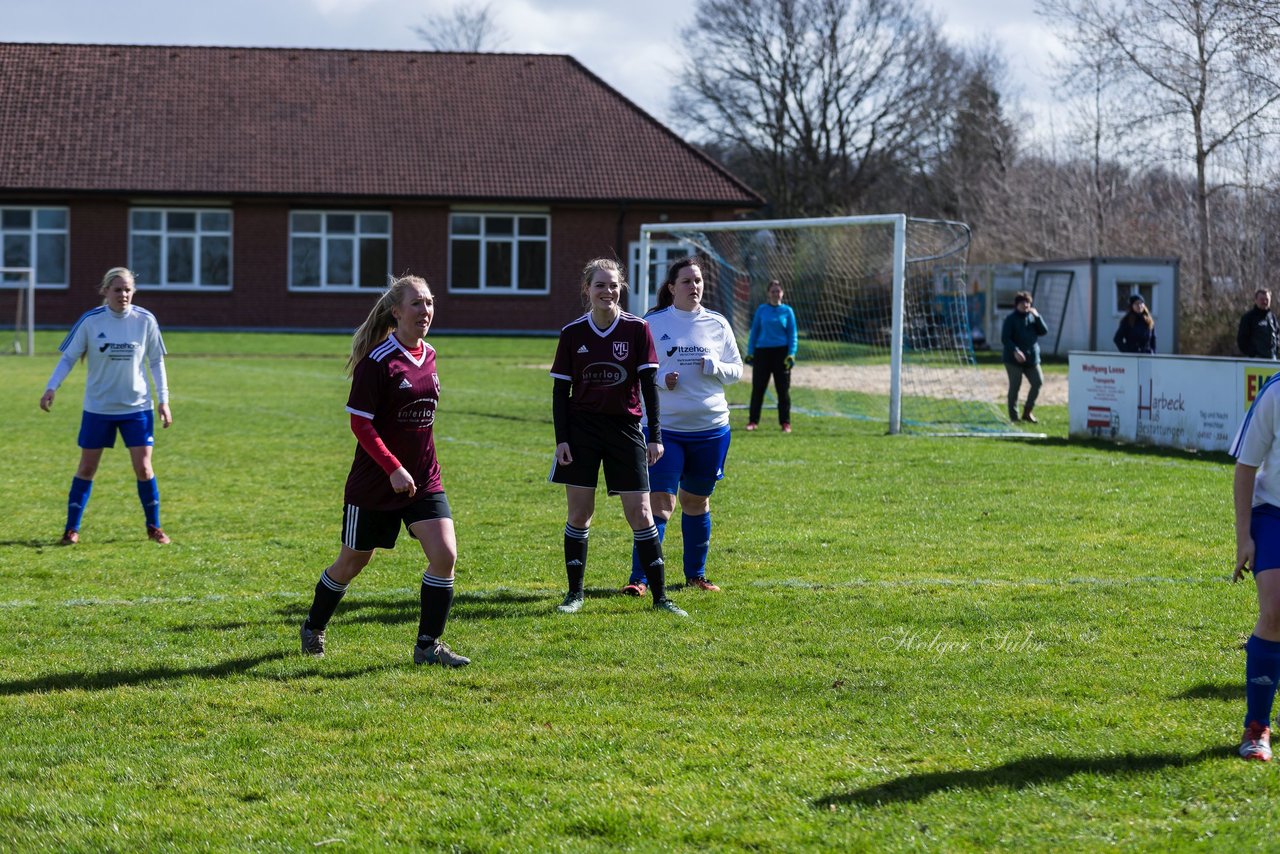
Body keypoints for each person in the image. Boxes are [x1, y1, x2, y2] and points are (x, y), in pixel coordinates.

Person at [299, 275, 470, 667]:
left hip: (424, 478)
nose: (425, 311)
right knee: (352, 563)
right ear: (396, 311)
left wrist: (413, 467)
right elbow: (361, 425)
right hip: (376, 483)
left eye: (429, 303)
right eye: (416, 304)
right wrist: (393, 467)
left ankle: (428, 646)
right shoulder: (377, 361)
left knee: (445, 554)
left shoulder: (429, 354)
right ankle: (313, 625)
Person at [549, 257, 686, 617]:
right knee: (580, 513)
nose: (607, 291)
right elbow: (559, 393)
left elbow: (649, 388)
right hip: (581, 431)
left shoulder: (637, 329)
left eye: (613, 285)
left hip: (626, 430)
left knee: (641, 512)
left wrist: (654, 436)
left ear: (620, 288)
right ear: (587, 290)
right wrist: (562, 439)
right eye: (600, 285)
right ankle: (574, 595)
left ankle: (661, 598)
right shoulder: (572, 333)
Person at [621, 256, 743, 597]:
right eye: (687, 281)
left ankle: (696, 575)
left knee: (696, 502)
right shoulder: (653, 322)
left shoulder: (717, 323)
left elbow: (737, 370)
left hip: (711, 429)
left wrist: (716, 366)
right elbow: (633, 369)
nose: (695, 287)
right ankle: (640, 578)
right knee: (660, 504)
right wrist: (660, 378)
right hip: (665, 431)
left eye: (699, 281)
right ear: (672, 287)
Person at [40, 267, 172, 545]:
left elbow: (156, 362)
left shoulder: (145, 320)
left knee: (144, 469)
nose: (123, 294)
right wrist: (52, 387)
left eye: (127, 289)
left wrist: (164, 400)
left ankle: (154, 528)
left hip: (137, 408)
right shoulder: (91, 321)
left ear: (133, 292)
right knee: (87, 468)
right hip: (98, 409)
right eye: (117, 289)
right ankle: (71, 530)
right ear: (105, 291)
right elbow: (68, 358)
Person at [1229, 370, 1280, 760]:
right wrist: (1244, 537)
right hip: (1272, 515)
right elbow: (1246, 467)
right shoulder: (1274, 394)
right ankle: (1257, 726)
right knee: (1275, 610)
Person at [745, 279, 798, 432]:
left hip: (781, 353)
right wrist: (750, 352)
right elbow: (754, 333)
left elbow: (792, 335)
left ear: (782, 293)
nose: (775, 293)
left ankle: (785, 423)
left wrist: (791, 354)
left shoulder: (788, 311)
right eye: (773, 291)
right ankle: (753, 421)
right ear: (768, 293)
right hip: (762, 353)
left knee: (783, 390)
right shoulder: (762, 310)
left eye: (778, 291)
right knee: (758, 389)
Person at [1001, 290, 1048, 423]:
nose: (1025, 305)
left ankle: (1028, 412)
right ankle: (1014, 417)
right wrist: (1015, 351)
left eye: (1027, 302)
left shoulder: (1033, 318)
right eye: (1022, 303)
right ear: (1016, 305)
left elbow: (1044, 331)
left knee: (1038, 381)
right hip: (1013, 360)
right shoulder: (1010, 319)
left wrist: (1038, 317)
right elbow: (1005, 338)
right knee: (1015, 387)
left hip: (1031, 359)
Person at [1238, 289, 1280, 360]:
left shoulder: (1272, 317)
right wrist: (1252, 353)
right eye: (1261, 299)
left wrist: (1276, 349)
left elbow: (1277, 335)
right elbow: (1242, 339)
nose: (1264, 301)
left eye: (1267, 299)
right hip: (1255, 360)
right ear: (1256, 300)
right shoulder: (1248, 317)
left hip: (1272, 359)